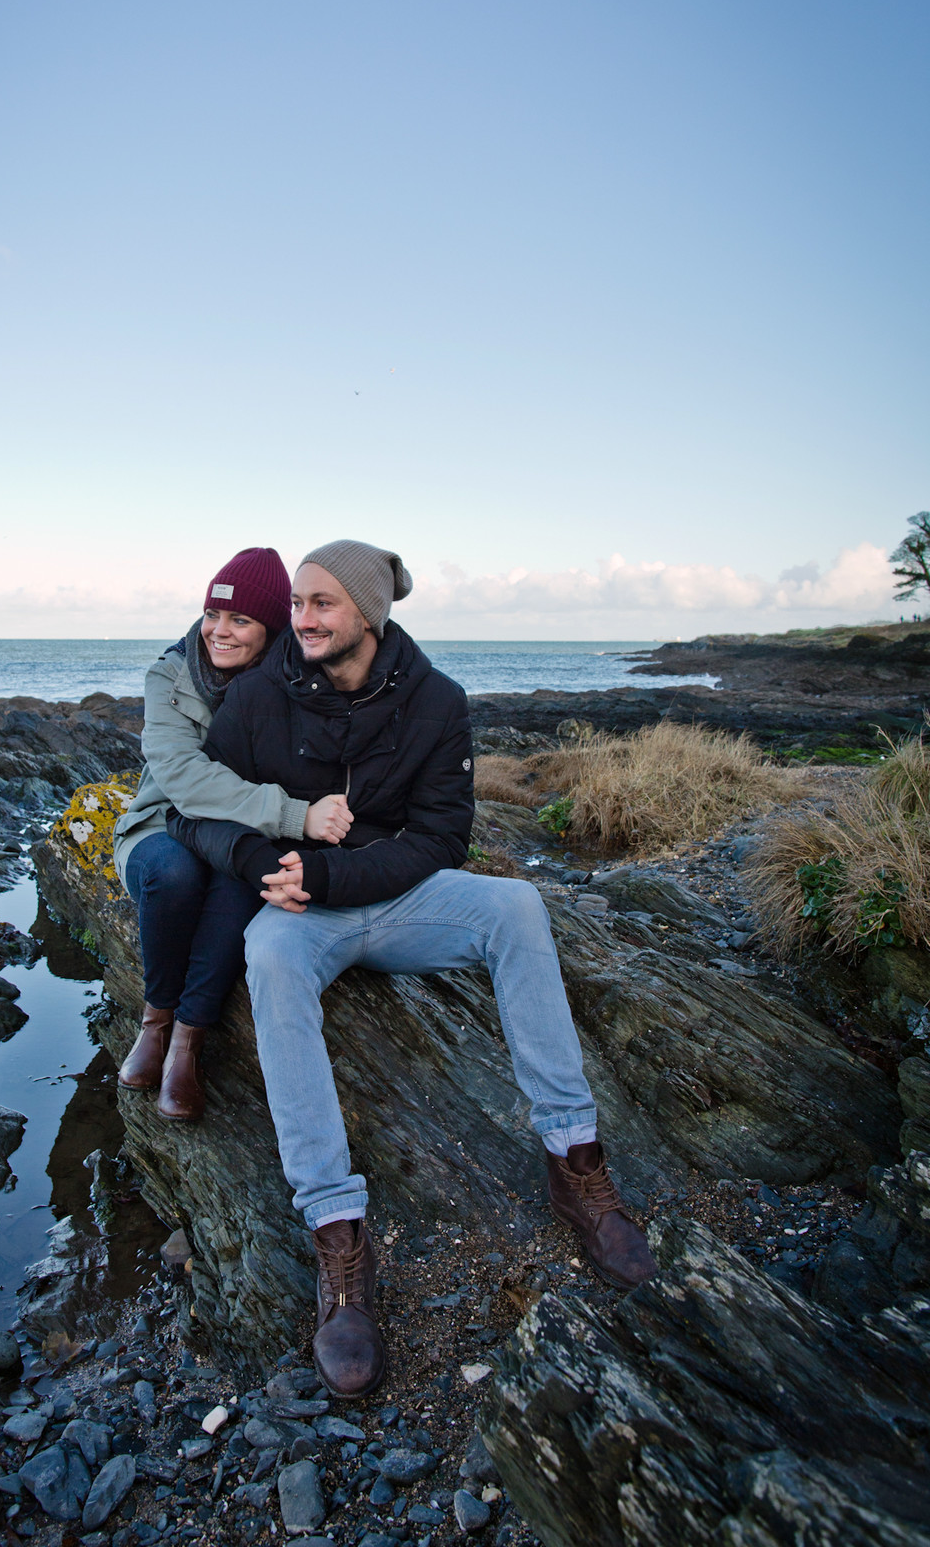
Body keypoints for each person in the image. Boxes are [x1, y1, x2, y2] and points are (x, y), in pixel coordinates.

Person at [167, 538, 657, 1396]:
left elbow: (442, 841)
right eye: (299, 604)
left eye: (323, 604)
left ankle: (575, 1163)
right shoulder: (255, 698)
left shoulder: (437, 702)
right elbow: (193, 813)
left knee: (517, 906)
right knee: (269, 958)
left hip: (396, 903)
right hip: (297, 914)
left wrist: (333, 873)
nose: (303, 619)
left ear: (368, 613)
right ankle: (338, 1237)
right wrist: (257, 867)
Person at [111, 547, 352, 1122]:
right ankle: (156, 1021)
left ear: (271, 629)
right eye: (212, 615)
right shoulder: (170, 675)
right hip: (162, 825)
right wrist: (297, 815)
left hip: (243, 836)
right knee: (176, 870)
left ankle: (188, 1043)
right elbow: (186, 782)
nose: (219, 632)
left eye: (240, 620)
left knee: (250, 878)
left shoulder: (297, 681)